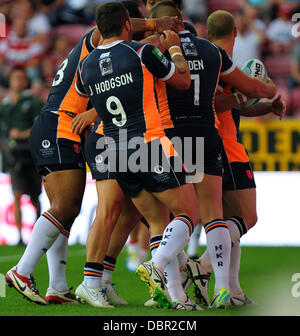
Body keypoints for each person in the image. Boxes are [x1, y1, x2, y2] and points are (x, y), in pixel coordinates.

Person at [5, 10, 183, 305]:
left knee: (66, 211)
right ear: (125, 25)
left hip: (59, 125)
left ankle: (58, 286)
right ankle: (23, 271)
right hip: (61, 124)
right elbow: (109, 31)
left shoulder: (99, 58)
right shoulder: (96, 43)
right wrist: (156, 28)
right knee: (66, 207)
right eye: (130, 27)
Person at [149, 1, 276, 308]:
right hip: (211, 139)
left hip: (161, 140)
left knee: (170, 217)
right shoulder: (213, 54)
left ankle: (178, 286)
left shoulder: (149, 51)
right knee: (220, 218)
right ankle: (212, 280)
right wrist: (265, 91)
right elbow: (237, 97)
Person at [74, 1, 200, 310]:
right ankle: (155, 264)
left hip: (113, 151)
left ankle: (173, 297)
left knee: (158, 218)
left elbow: (88, 96)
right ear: (128, 25)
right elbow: (183, 81)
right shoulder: (141, 52)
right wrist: (173, 49)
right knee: (189, 214)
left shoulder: (86, 65)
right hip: (149, 143)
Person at [191, 9, 283, 307]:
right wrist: (265, 89)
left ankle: (233, 291)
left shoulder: (208, 60)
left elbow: (235, 105)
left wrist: (264, 106)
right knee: (248, 218)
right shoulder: (218, 61)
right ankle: (202, 265)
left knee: (230, 222)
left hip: (209, 145)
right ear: (235, 33)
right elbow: (219, 102)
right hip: (226, 147)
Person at [0, 67, 43, 246]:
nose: (18, 81)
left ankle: (39, 229)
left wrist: (24, 133)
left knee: (35, 197)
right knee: (16, 194)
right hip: (14, 157)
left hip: (31, 155)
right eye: (15, 78)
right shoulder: (5, 105)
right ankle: (19, 237)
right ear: (10, 82)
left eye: (21, 78)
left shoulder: (34, 101)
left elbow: (41, 124)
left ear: (26, 82)